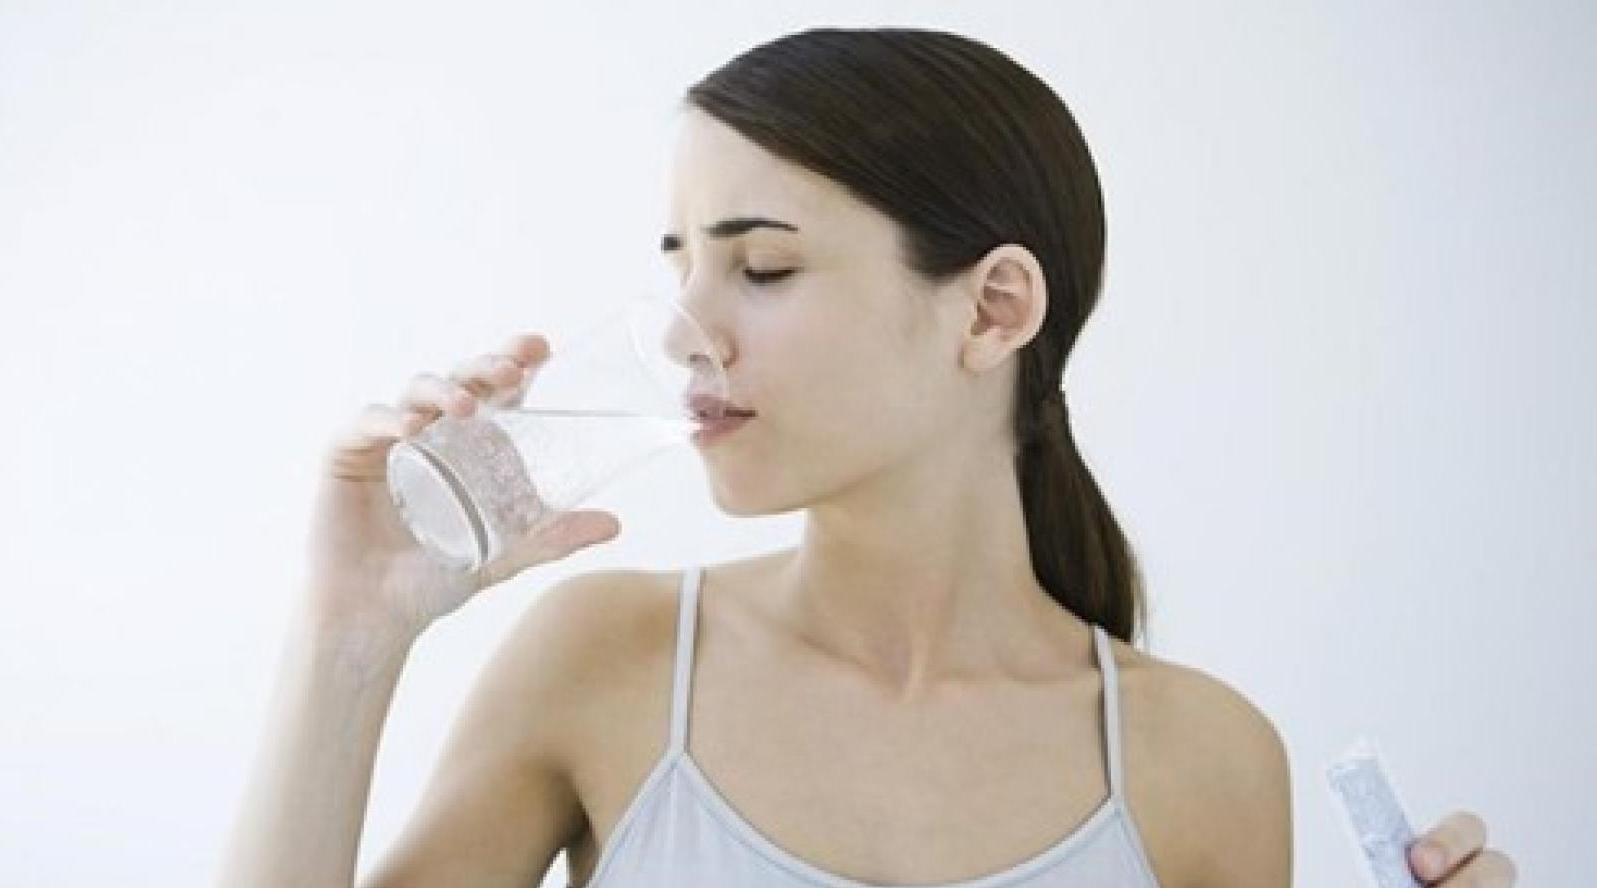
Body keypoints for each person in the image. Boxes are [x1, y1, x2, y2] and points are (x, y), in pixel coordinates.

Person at [217, 27, 1518, 888]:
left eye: (764, 267)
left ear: (994, 310)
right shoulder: (603, 662)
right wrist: (352, 630)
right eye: (680, 265)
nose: (688, 336)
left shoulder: (1204, 764)